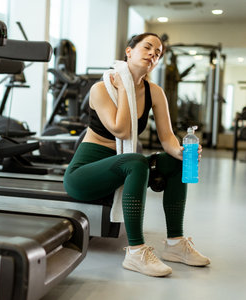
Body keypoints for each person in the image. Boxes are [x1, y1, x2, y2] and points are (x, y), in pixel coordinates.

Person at [63, 33, 210, 277]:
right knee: (136, 162)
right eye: (148, 47)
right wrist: (123, 88)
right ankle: (135, 251)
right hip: (84, 174)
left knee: (172, 161)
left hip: (119, 166)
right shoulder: (101, 88)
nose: (153, 53)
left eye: (158, 52)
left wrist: (180, 152)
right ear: (129, 51)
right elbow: (121, 129)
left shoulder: (155, 92)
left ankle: (175, 243)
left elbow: (167, 137)